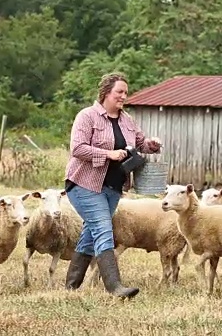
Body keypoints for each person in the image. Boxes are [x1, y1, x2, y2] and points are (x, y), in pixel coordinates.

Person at [63, 72, 162, 298]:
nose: (124, 96)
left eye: (126, 92)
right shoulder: (87, 116)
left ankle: (70, 287)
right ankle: (115, 287)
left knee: (91, 232)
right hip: (84, 183)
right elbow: (77, 149)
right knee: (103, 229)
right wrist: (108, 154)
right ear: (106, 92)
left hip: (113, 187)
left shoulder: (127, 120)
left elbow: (139, 144)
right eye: (120, 92)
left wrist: (152, 145)